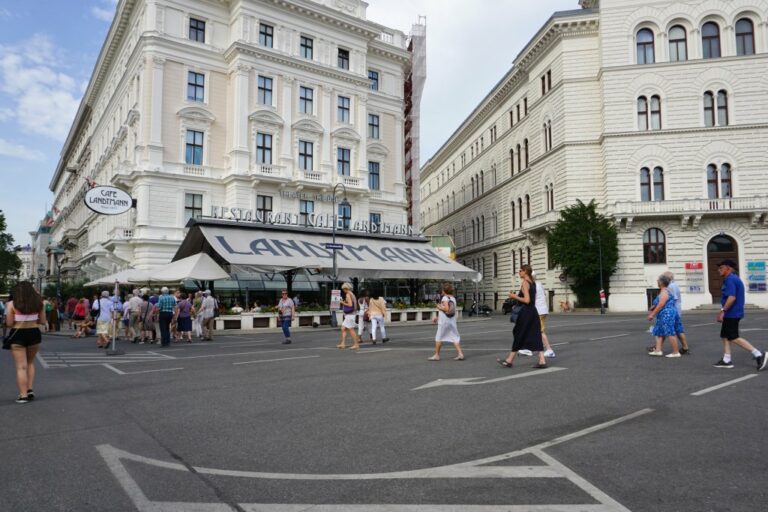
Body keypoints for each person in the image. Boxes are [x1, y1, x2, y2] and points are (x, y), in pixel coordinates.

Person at [713, 259, 768, 370]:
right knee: (725, 335)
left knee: (733, 337)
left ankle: (758, 354)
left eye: (721, 268)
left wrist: (723, 310)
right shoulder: (731, 279)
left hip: (732, 313)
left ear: (728, 268)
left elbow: (732, 297)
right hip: (731, 313)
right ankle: (726, 360)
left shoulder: (731, 279)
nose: (718, 270)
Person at [4, 282, 47, 403]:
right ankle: (30, 389)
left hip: (18, 334)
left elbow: (9, 324)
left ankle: (23, 396)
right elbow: (43, 321)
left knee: (20, 367)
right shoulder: (39, 303)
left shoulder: (11, 304)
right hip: (34, 333)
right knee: (30, 363)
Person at [498, 265, 547, 369]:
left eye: (520, 271)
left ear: (525, 272)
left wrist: (513, 296)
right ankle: (542, 361)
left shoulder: (525, 282)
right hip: (533, 312)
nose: (519, 272)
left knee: (518, 333)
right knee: (536, 335)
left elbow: (527, 300)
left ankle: (509, 360)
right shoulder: (533, 282)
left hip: (526, 312)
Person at [647, 274, 681, 358]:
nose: (657, 281)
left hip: (667, 313)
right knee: (659, 331)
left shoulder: (664, 291)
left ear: (661, 282)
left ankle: (675, 352)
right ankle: (658, 350)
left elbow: (661, 304)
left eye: (658, 280)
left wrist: (652, 314)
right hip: (665, 313)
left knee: (669, 332)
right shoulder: (665, 290)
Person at [428, 282, 464, 361]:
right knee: (455, 337)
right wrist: (437, 317)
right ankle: (460, 353)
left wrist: (438, 306)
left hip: (444, 322)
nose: (441, 291)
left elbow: (446, 309)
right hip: (452, 321)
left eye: (442, 290)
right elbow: (450, 310)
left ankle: (437, 355)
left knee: (438, 337)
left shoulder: (444, 298)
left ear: (444, 290)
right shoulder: (453, 298)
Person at [531, 274, 556, 358]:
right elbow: (544, 295)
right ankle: (531, 348)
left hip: (539, 311)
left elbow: (531, 299)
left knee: (540, 331)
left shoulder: (533, 286)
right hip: (543, 310)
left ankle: (549, 350)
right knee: (536, 331)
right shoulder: (539, 284)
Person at [337, 283, 361, 350]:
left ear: (345, 288)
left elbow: (350, 305)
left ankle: (356, 344)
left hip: (350, 315)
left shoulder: (348, 294)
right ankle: (343, 344)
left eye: (343, 289)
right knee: (343, 328)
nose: (343, 290)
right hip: (351, 314)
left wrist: (342, 302)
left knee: (351, 329)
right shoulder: (352, 294)